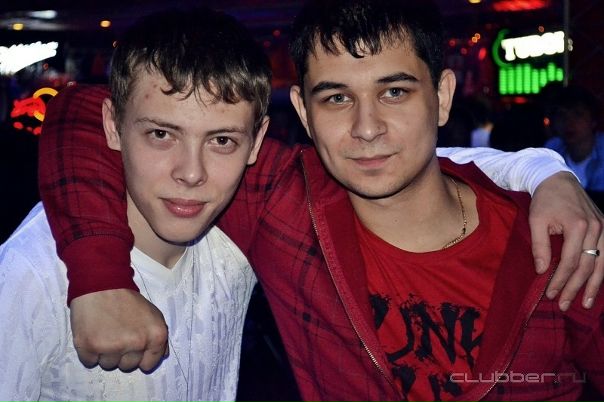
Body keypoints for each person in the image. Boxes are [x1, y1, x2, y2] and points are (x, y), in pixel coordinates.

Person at [38, 1, 604, 400]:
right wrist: (100, 279)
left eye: (394, 91)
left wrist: (544, 170)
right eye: (336, 98)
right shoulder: (282, 199)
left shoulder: (559, 243)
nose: (366, 127)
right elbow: (83, 112)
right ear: (303, 113)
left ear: (443, 95)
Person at [0, 7, 269, 401]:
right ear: (112, 126)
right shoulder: (32, 271)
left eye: (222, 141)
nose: (191, 173)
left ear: (256, 142)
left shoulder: (239, 244)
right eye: (161, 134)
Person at [544, 84, 604, 191]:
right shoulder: (551, 151)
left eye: (578, 114)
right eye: (561, 115)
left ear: (593, 120)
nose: (568, 122)